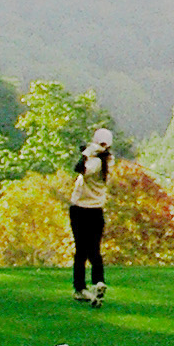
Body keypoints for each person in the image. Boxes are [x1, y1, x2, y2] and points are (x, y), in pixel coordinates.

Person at [69, 127, 112, 303]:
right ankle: (99, 281)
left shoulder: (95, 163)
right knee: (94, 249)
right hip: (97, 211)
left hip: (80, 209)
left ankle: (80, 288)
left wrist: (86, 152)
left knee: (80, 251)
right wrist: (91, 151)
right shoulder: (109, 160)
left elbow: (79, 168)